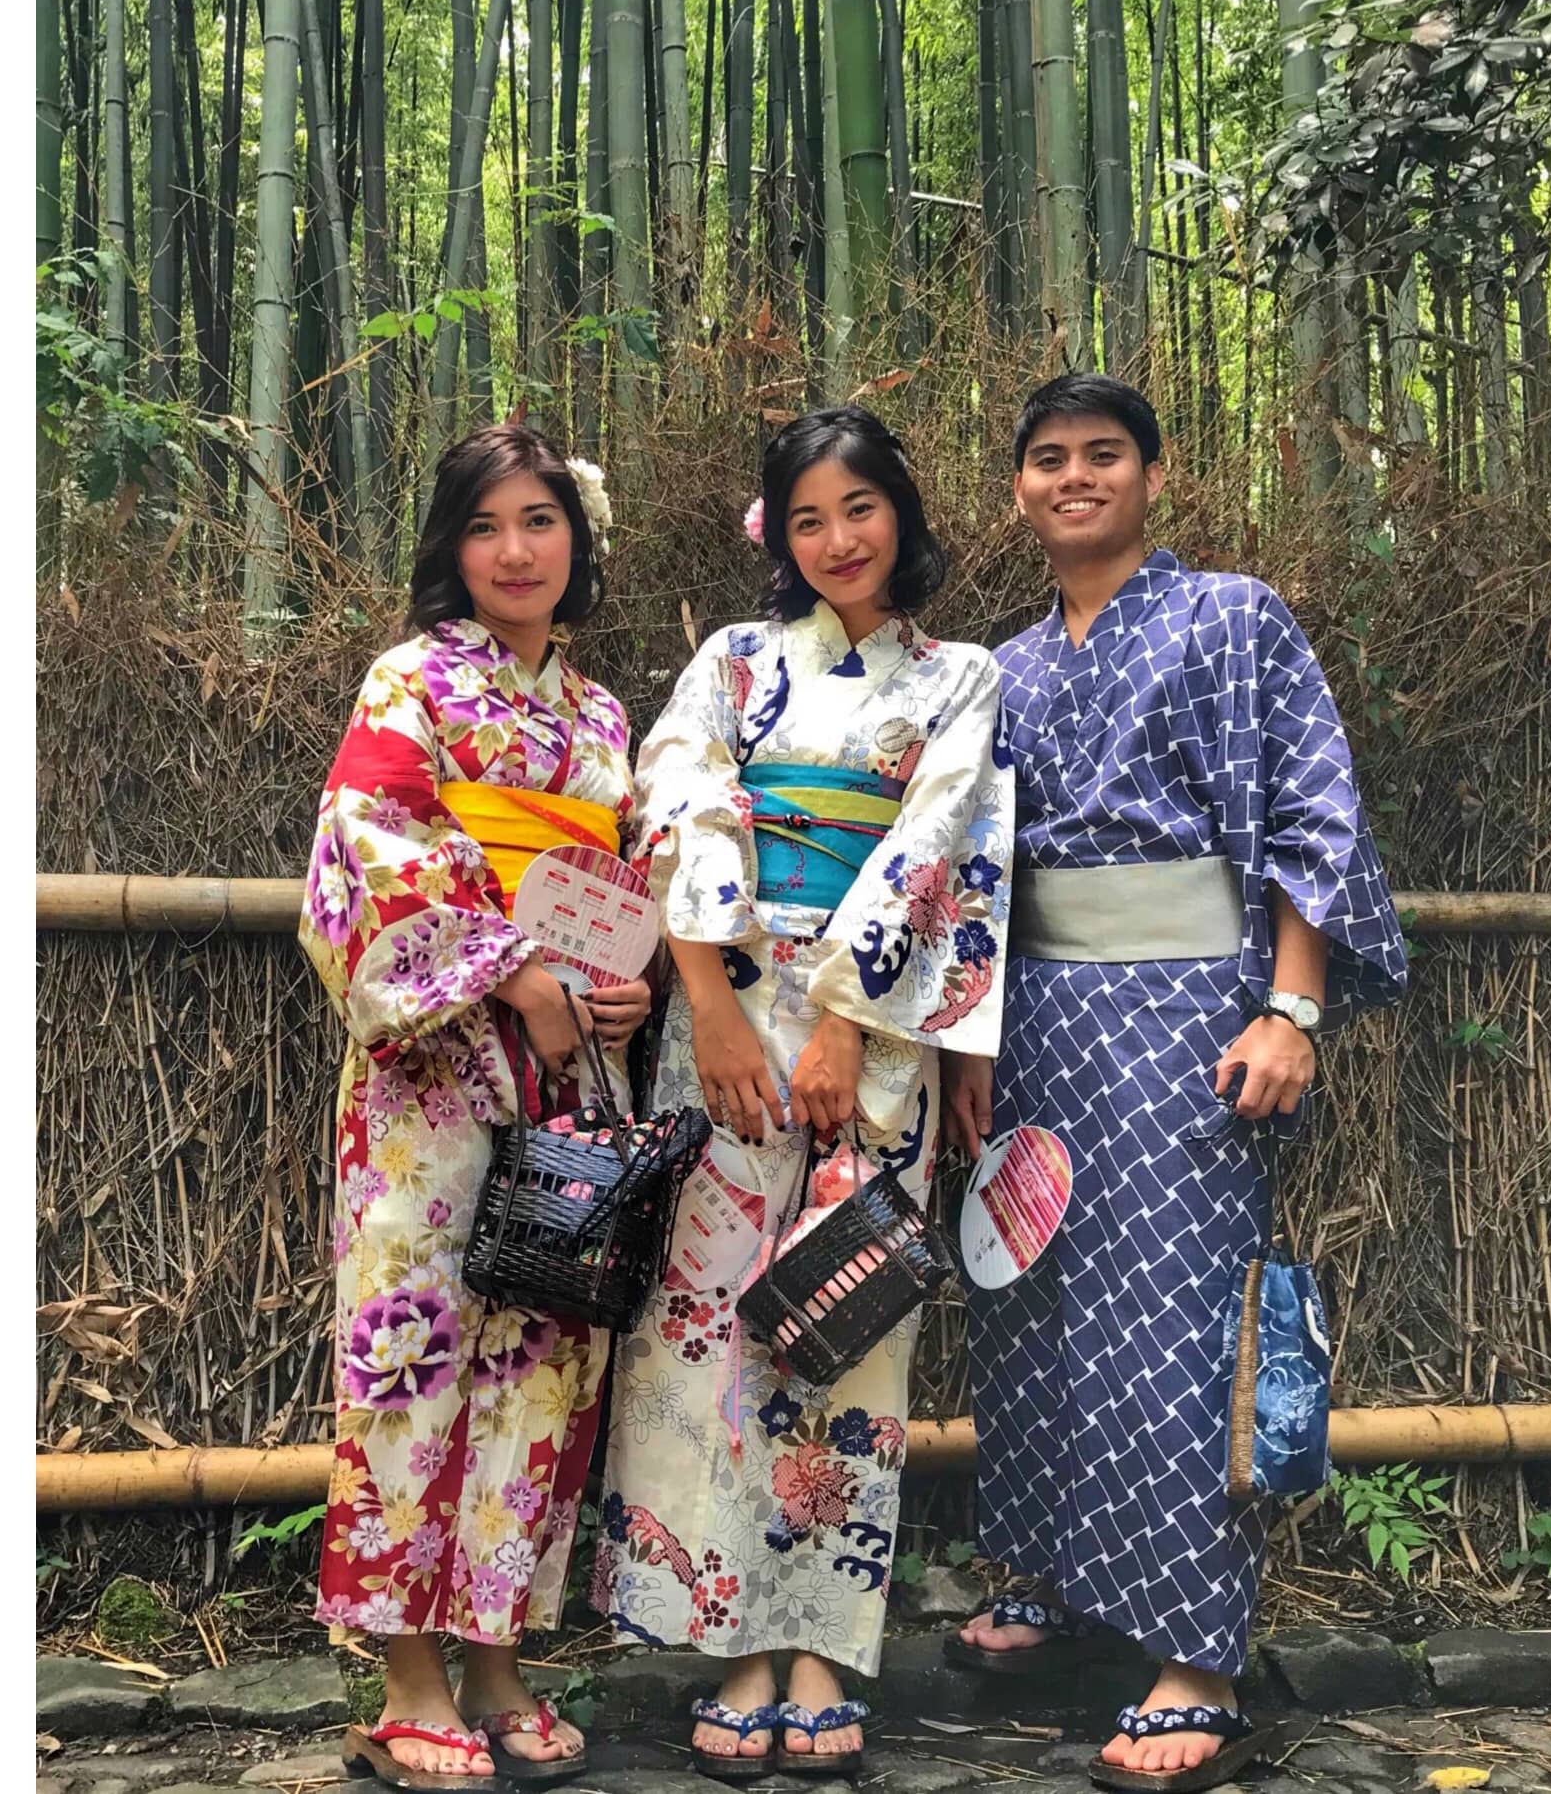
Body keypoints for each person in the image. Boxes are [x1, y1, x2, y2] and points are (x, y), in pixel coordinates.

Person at [940, 375, 1406, 1794]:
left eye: (1103, 454)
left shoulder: (1233, 619)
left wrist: (1291, 1006)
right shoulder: (1002, 669)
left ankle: (1195, 1657)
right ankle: (1051, 1576)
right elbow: (969, 874)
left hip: (1190, 1013)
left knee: (1172, 1313)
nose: (1073, 476)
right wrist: (968, 1043)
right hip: (1034, 1015)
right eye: (1046, 458)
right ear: (1017, 489)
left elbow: (1316, 815)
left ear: (1153, 475)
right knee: (1026, 1297)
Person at [594, 405, 1017, 1781]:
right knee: (703, 1324)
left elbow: (937, 846)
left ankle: (820, 1646)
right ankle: (730, 1641)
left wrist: (842, 1020)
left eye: (860, 508)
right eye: (808, 517)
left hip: (873, 1034)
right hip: (719, 1016)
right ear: (775, 533)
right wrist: (711, 1002)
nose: (838, 539)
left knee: (847, 1328)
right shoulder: (731, 660)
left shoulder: (957, 677)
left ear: (903, 513)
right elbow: (676, 805)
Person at [301, 423, 652, 1792]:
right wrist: (508, 971)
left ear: (578, 538)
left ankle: (497, 1656)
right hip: (431, 1071)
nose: (515, 551)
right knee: (415, 1340)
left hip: (568, 1069)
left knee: (543, 1351)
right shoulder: (411, 680)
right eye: (486, 525)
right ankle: (407, 1675)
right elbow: (369, 844)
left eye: (540, 521)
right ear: (452, 546)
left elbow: (617, 886)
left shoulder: (601, 714)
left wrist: (620, 990)